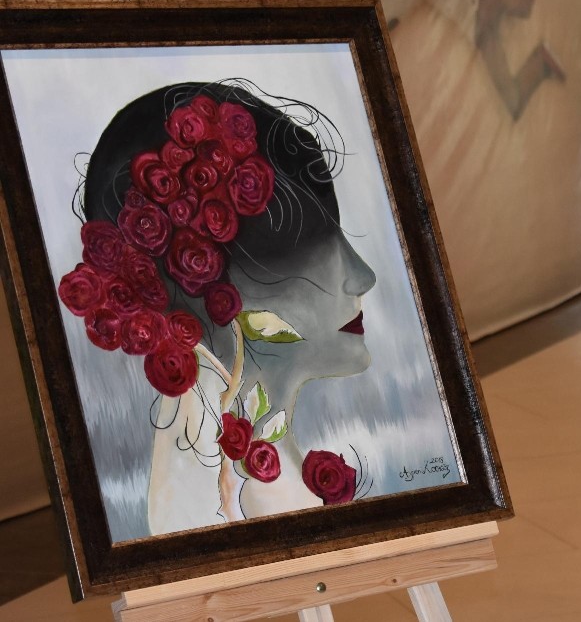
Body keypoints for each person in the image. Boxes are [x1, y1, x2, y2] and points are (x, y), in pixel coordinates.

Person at [74, 80, 374, 530]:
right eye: (313, 246)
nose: (363, 277)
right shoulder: (216, 504)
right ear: (210, 285)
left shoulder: (256, 484)